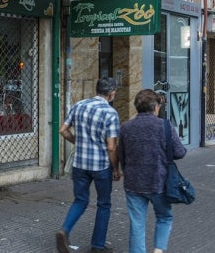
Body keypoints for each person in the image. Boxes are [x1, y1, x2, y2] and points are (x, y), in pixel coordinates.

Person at [56, 77, 122, 253]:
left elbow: (62, 130)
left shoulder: (79, 105)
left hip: (79, 163)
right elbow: (111, 147)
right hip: (100, 166)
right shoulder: (110, 113)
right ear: (111, 93)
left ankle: (64, 230)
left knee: (80, 200)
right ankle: (98, 245)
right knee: (104, 204)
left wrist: (77, 141)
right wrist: (116, 168)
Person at [118, 89, 187, 253]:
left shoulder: (126, 127)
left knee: (137, 224)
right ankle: (158, 250)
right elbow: (180, 152)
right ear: (155, 107)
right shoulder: (164, 126)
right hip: (159, 183)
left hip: (133, 183)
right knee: (164, 217)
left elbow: (122, 156)